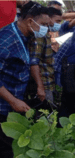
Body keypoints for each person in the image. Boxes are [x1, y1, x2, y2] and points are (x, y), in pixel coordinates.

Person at [0, 2, 49, 157]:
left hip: (14, 103)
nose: (45, 29)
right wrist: (12, 100)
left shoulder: (25, 36)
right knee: (6, 149)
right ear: (30, 21)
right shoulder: (6, 41)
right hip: (3, 106)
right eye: (43, 24)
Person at [27, 7, 62, 103]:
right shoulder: (39, 36)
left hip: (48, 82)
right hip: (44, 84)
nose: (58, 24)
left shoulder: (46, 34)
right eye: (57, 21)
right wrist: (40, 86)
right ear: (48, 18)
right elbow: (34, 62)